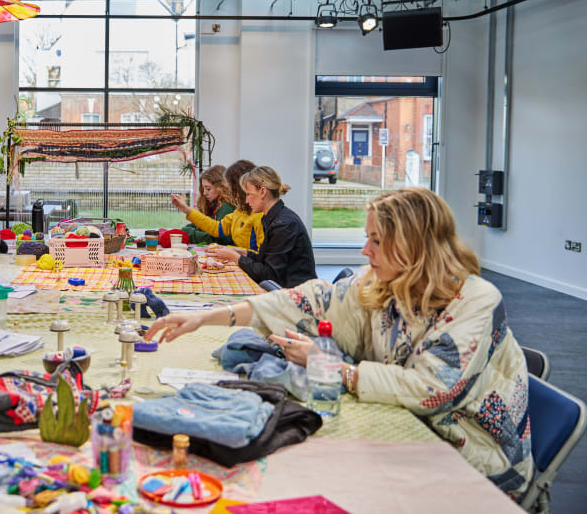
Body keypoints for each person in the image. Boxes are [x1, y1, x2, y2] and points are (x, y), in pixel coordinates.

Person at [145, 187, 533, 497]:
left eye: (376, 241)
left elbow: (431, 389)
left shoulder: (476, 301)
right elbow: (303, 300)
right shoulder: (385, 285)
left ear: (413, 245)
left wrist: (338, 369)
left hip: (471, 456)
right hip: (407, 427)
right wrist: (205, 317)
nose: (366, 251)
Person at [208, 166, 317, 288]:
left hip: (296, 294)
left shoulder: (283, 225)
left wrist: (236, 258)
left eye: (249, 194)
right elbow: (266, 259)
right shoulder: (274, 218)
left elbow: (269, 274)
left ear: (263, 192)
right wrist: (241, 252)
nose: (246, 200)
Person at [171, 159, 264, 253]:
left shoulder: (259, 216)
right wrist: (187, 210)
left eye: (233, 189)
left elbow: (259, 256)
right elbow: (217, 228)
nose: (231, 193)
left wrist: (230, 250)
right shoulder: (240, 212)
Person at [180, 165, 235, 245]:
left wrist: (189, 233)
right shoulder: (212, 204)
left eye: (208, 189)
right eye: (203, 188)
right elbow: (205, 223)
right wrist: (189, 228)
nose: (204, 193)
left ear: (221, 187)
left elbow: (219, 239)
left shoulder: (226, 207)